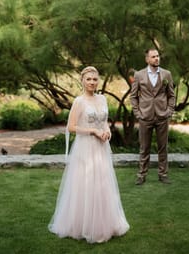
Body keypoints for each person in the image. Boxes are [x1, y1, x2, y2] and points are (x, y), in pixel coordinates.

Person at [48, 66, 129, 243]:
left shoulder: (102, 99)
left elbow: (105, 122)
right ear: (82, 81)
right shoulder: (79, 101)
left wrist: (107, 131)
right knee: (85, 185)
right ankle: (81, 225)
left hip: (101, 148)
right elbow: (71, 127)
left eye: (95, 79)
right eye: (88, 79)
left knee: (102, 185)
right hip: (85, 148)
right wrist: (93, 131)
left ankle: (105, 224)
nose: (92, 82)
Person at [130, 49, 175, 185]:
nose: (157, 58)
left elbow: (171, 95)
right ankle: (141, 175)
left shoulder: (167, 74)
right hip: (145, 116)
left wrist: (169, 111)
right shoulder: (139, 75)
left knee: (163, 147)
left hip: (162, 116)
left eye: (157, 56)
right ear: (147, 59)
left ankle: (163, 174)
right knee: (144, 148)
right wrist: (138, 113)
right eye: (153, 56)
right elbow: (133, 96)